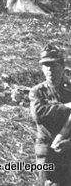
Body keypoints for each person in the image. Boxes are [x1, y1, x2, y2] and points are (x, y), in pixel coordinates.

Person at [29, 43, 71, 186]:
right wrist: (66, 107)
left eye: (54, 65)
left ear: (62, 66)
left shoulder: (69, 91)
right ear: (42, 69)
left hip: (68, 151)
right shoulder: (37, 91)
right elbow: (38, 113)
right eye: (46, 65)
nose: (50, 69)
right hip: (47, 152)